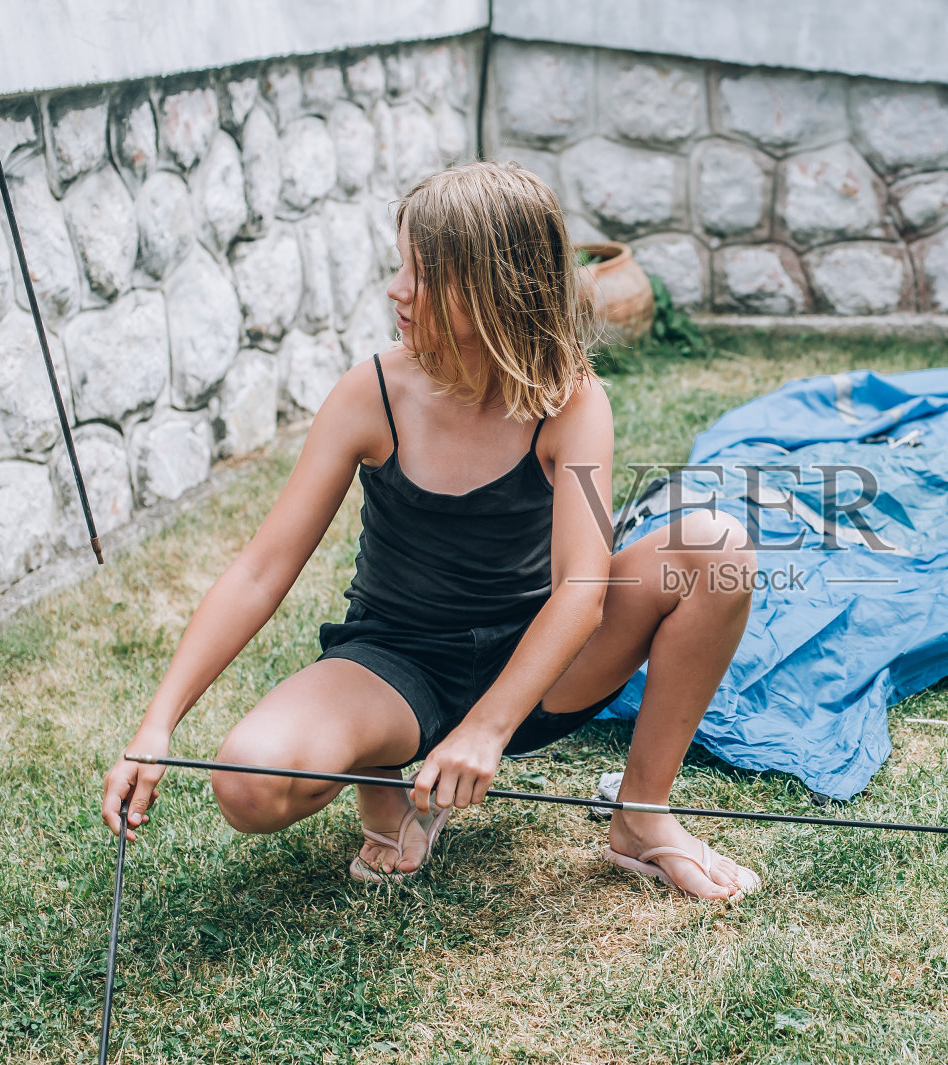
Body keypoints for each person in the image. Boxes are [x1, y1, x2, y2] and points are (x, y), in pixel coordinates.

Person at [101, 162, 760, 900]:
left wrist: (487, 728)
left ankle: (642, 815)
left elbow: (583, 587)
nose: (396, 289)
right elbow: (262, 570)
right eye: (401, 265)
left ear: (496, 285)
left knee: (717, 550)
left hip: (536, 664)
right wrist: (158, 723)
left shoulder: (570, 400)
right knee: (249, 784)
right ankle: (390, 772)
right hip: (396, 661)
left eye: (424, 272)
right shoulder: (371, 393)